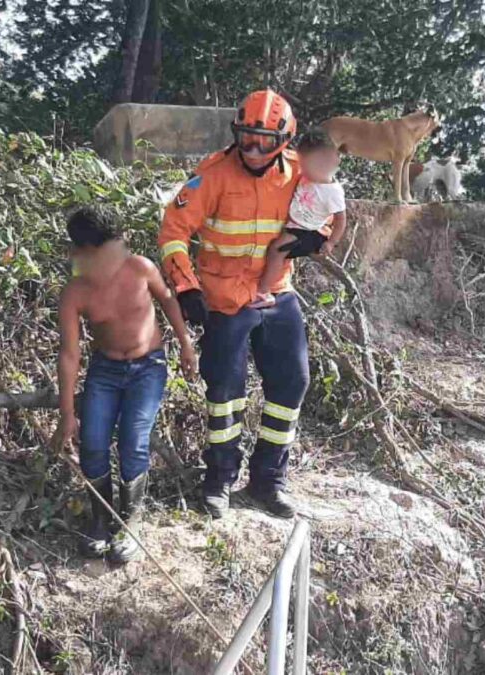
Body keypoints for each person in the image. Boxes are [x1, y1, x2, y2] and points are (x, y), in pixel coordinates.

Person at [158, 89, 324, 519]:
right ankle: (219, 479)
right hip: (224, 297)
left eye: (264, 141)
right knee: (226, 391)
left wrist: (316, 238)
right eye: (246, 138)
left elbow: (325, 211)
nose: (253, 149)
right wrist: (186, 286)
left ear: (284, 140)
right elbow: (173, 230)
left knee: (292, 384)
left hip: (276, 291)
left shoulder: (301, 174)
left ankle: (268, 480)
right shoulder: (212, 174)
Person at [53, 206, 198, 561]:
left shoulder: (140, 268)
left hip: (148, 367)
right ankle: (101, 520)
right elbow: (70, 356)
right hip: (105, 371)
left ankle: (130, 520)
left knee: (133, 439)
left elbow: (167, 300)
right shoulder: (76, 293)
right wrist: (67, 414)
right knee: (93, 443)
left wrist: (185, 344)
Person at [249, 128, 347, 308]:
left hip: (308, 232)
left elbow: (341, 220)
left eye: (307, 165)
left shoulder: (332, 192)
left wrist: (332, 242)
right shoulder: (308, 176)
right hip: (296, 225)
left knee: (277, 249)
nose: (303, 169)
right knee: (277, 249)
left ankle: (263, 292)